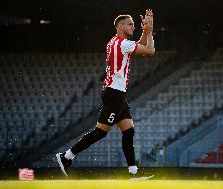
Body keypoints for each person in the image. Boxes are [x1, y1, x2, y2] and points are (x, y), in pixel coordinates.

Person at [56, 9, 155, 176]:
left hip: (116, 93)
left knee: (128, 130)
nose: (133, 26)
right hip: (114, 93)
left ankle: (133, 172)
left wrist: (145, 31)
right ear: (121, 25)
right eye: (130, 24)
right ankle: (67, 156)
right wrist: (150, 30)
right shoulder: (123, 44)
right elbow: (150, 50)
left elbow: (140, 45)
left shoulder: (114, 42)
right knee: (101, 132)